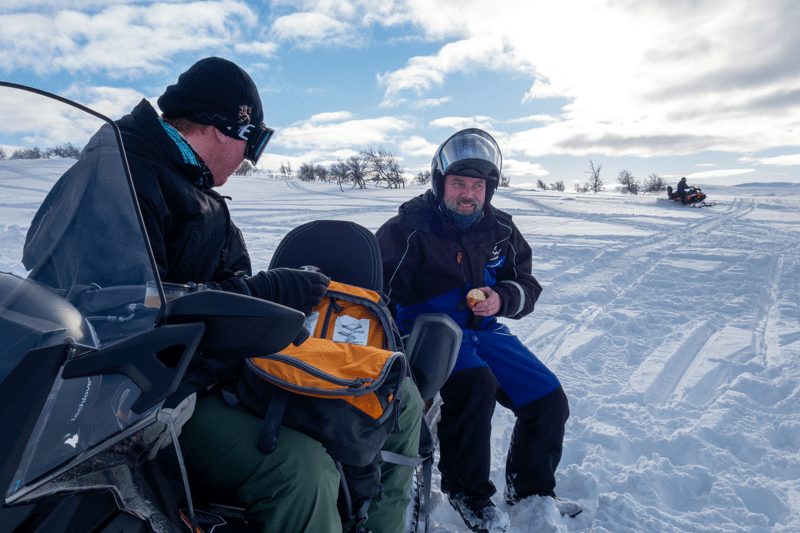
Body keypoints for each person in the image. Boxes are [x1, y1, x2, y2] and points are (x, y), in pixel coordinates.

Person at [29, 57, 422, 533]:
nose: (249, 158)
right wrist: (261, 291)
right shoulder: (120, 179)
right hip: (135, 403)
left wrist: (266, 298)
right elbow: (116, 311)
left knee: (391, 391)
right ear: (220, 129)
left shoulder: (188, 183)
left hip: (205, 370)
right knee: (300, 469)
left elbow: (214, 286)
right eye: (251, 141)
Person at [376, 129, 578, 533]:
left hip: (484, 327)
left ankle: (531, 490)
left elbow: (527, 284)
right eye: (458, 183)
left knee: (548, 398)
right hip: (427, 329)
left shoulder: (501, 229)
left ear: (489, 189)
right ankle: (466, 491)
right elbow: (378, 294)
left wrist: (502, 298)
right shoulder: (408, 228)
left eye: (478, 185)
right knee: (476, 385)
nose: (468, 194)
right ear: (440, 184)